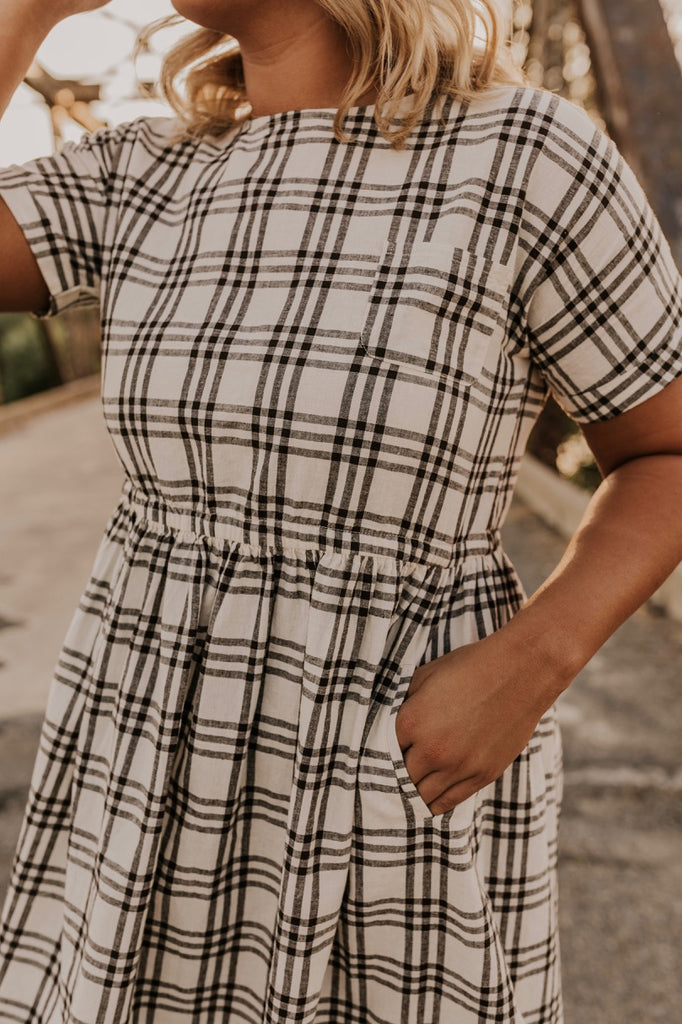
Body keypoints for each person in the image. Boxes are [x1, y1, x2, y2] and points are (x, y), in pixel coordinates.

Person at [0, 0, 680, 1020]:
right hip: (143, 765)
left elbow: (665, 449)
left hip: (386, 765)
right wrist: (24, 13)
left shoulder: (523, 151)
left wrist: (534, 661)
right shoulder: (144, 170)